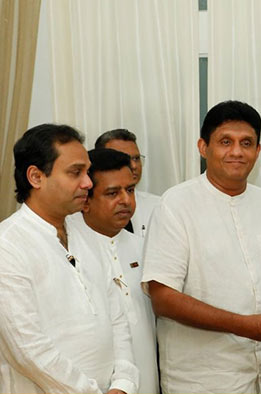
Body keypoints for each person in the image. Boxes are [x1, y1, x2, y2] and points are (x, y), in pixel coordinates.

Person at [141, 100, 261, 393]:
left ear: (258, 151)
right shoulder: (176, 204)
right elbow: (163, 297)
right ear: (203, 148)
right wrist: (241, 325)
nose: (237, 152)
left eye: (247, 143)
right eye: (226, 142)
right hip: (205, 380)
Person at [0, 124, 138, 393]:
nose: (88, 182)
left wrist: (123, 383)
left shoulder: (86, 234)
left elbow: (117, 319)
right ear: (36, 177)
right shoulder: (8, 245)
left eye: (87, 171)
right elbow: (27, 349)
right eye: (76, 172)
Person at [67, 148, 158, 393]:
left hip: (147, 382)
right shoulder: (68, 250)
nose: (126, 201)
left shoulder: (144, 247)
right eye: (112, 193)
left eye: (130, 190)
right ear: (85, 200)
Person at [95, 128, 160, 237]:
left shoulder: (158, 206)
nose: (134, 166)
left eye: (136, 158)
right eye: (123, 159)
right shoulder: (82, 211)